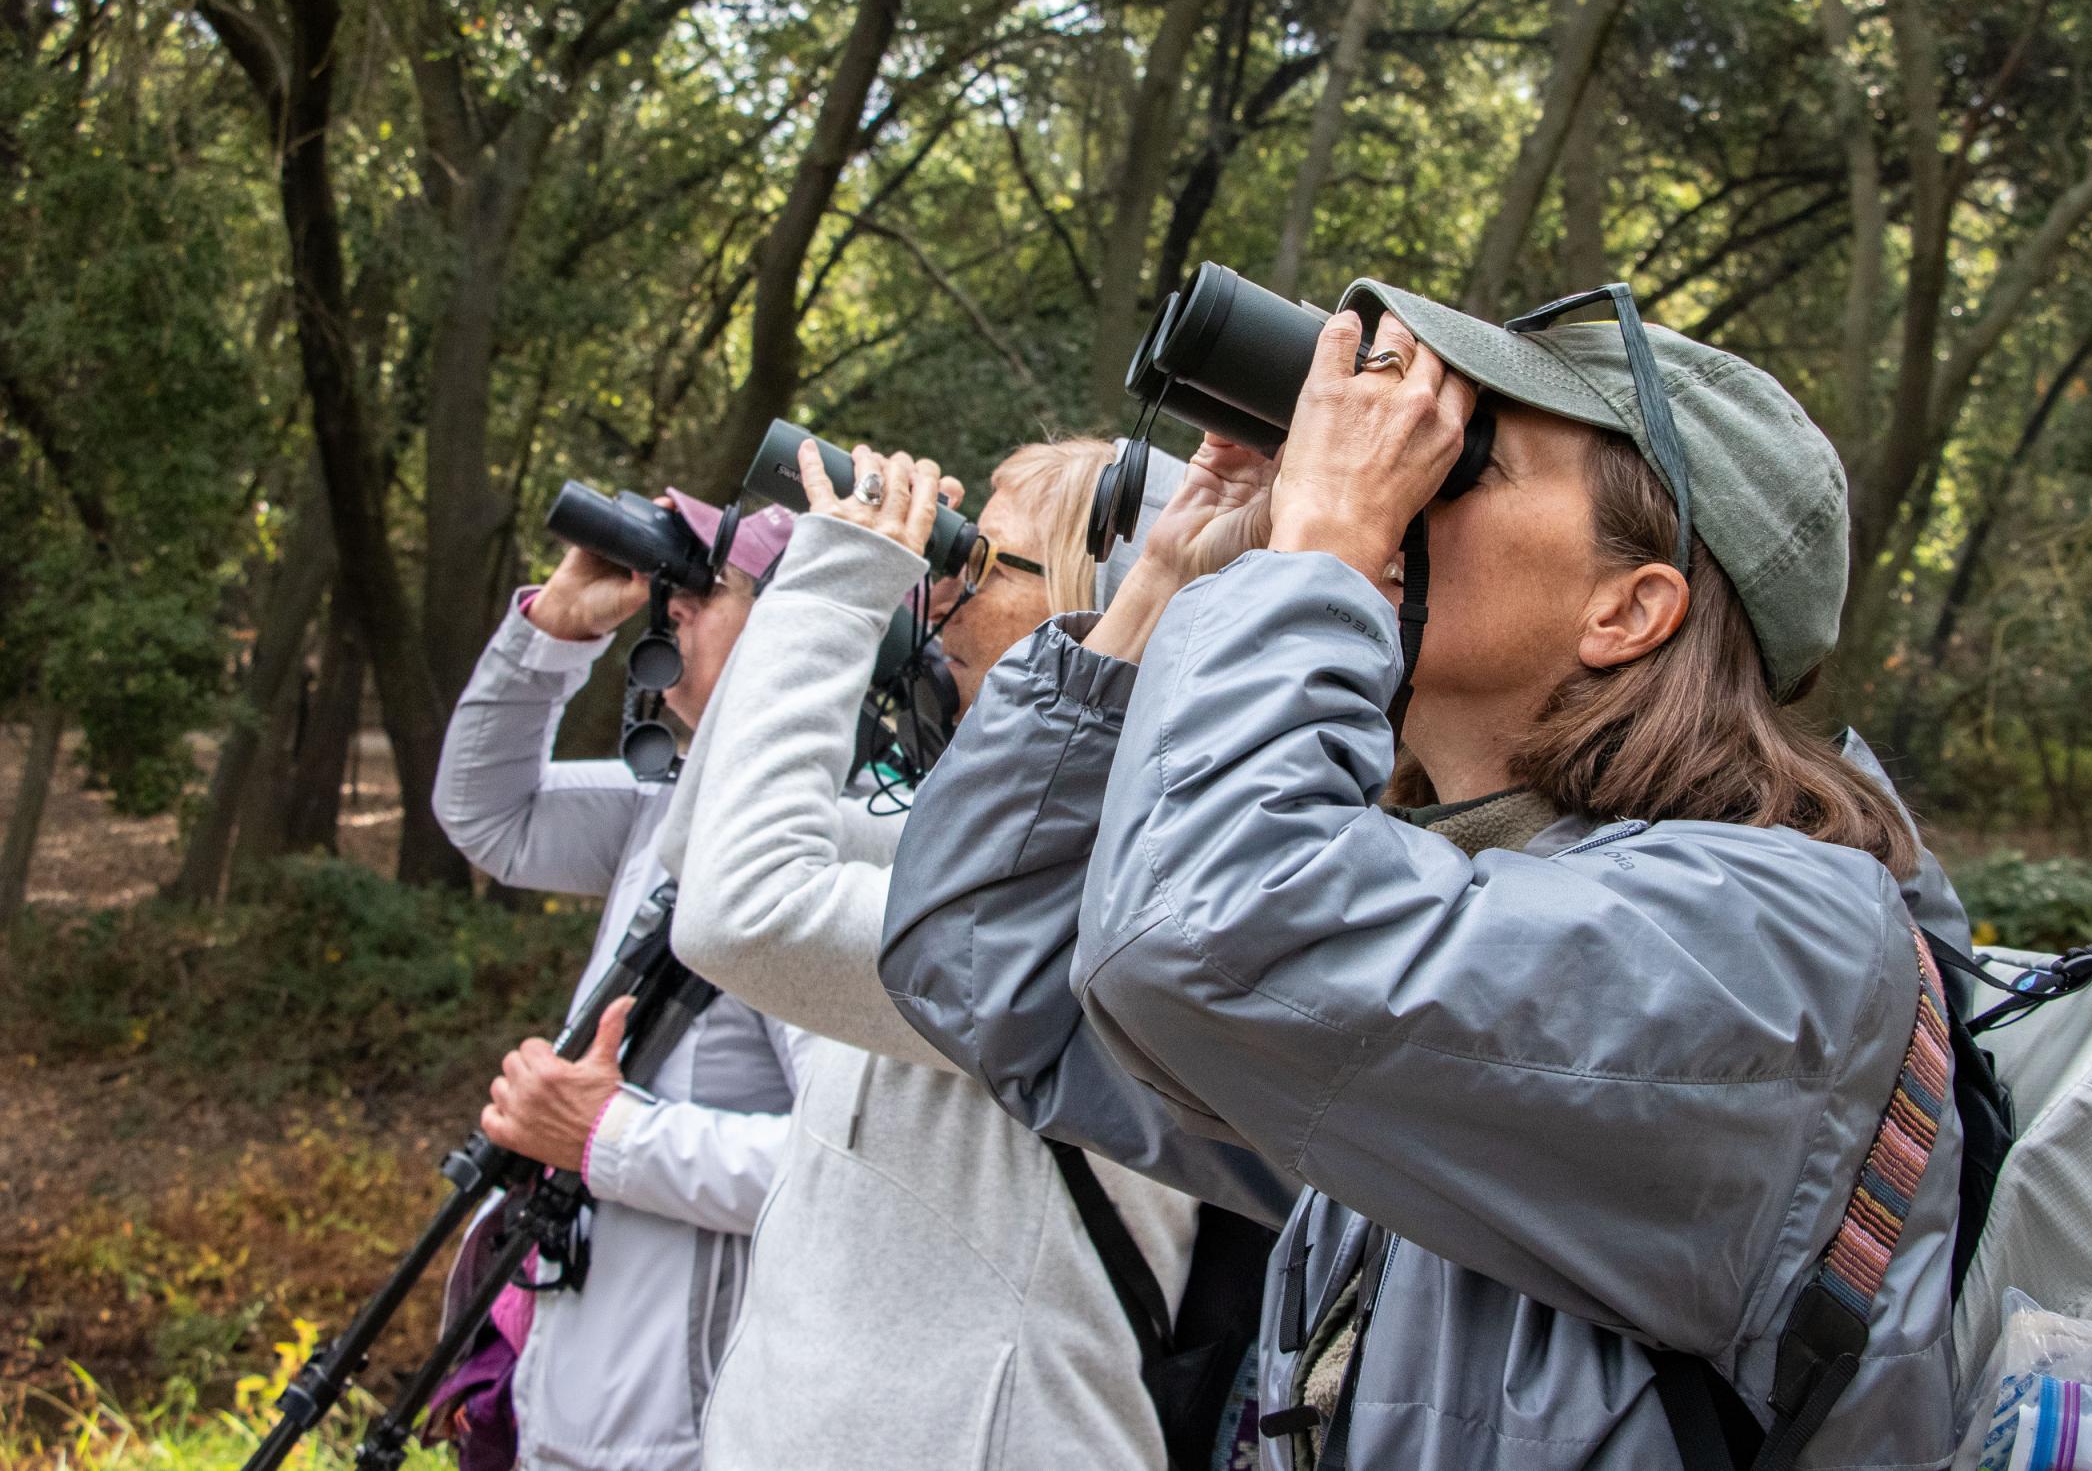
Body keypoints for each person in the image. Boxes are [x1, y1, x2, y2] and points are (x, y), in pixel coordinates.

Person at [883, 289, 1978, 1468]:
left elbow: (1190, 942)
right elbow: (992, 962)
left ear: (1629, 606)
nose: (1400, 474)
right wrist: (1169, 579)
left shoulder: (1767, 947)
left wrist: (1323, 550)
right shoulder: (1465, 898)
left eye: (1469, 460)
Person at [657, 436, 1290, 1471]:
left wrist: (844, 576)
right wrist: (816, 583)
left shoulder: (1107, 901)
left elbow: (747, 910)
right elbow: (704, 854)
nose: (942, 586)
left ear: (1110, 609)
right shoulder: (992, 855)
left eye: (984, 563)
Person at [430, 494, 807, 1471]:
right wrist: (552, 634)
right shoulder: (676, 806)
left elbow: (845, 1171)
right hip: (573, 1401)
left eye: (707, 586)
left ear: (807, 623)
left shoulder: (829, 854)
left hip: (697, 1433)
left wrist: (610, 1135)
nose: (671, 604)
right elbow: (490, 815)